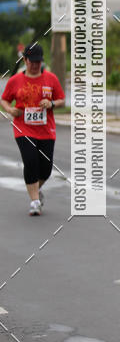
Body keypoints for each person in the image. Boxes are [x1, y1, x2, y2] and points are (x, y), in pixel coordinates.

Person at [1, 43, 65, 216]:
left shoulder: (51, 79)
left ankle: (35, 190)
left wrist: (51, 103)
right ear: (25, 60)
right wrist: (10, 110)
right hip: (23, 128)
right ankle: (35, 201)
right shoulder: (15, 80)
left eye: (38, 62)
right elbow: (4, 99)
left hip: (46, 130)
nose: (35, 65)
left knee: (46, 168)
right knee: (30, 161)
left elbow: (61, 100)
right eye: (32, 61)